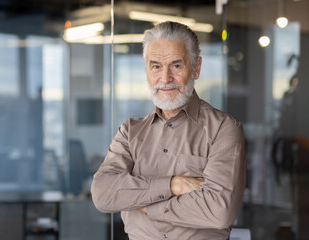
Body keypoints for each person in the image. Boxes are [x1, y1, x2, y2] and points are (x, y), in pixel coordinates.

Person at [91, 21, 246, 240]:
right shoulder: (129, 132)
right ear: (146, 69)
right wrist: (174, 184)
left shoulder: (223, 129)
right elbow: (103, 194)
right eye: (155, 66)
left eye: (176, 65)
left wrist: (143, 204)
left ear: (196, 67)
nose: (165, 79)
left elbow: (219, 211)